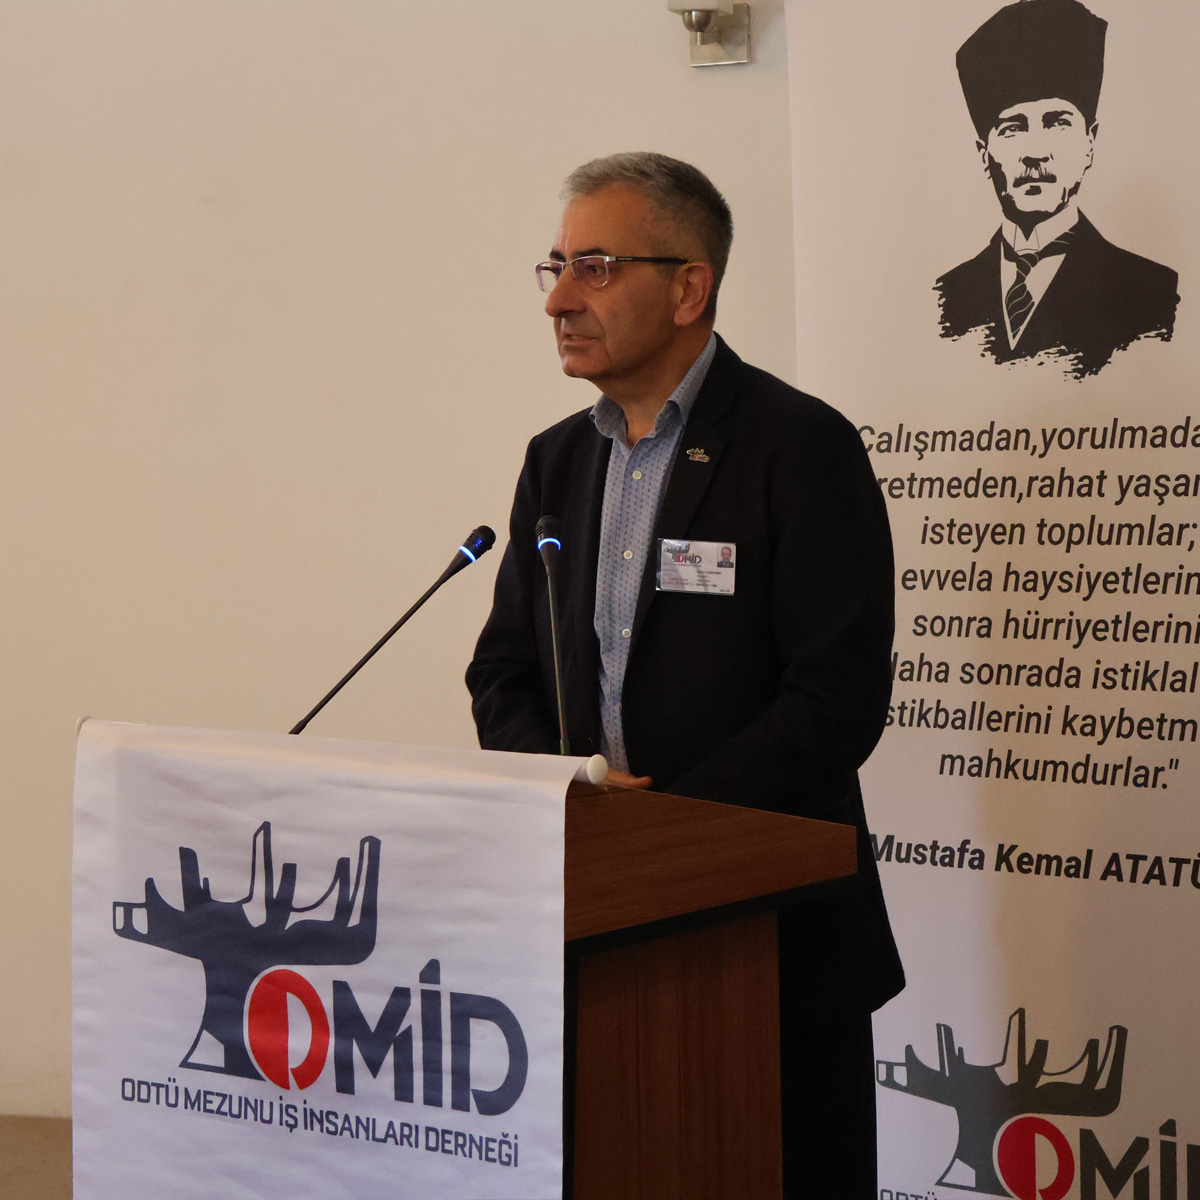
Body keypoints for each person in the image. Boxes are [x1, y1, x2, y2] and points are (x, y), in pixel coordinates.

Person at [466, 151, 903, 1197]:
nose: (559, 300)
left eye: (596, 268)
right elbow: (504, 670)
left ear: (689, 288)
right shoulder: (557, 459)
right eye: (557, 268)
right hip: (591, 924)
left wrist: (663, 833)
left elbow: (835, 699)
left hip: (770, 936)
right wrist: (574, 801)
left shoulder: (798, 446)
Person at [935, 0, 1179, 378]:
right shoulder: (948, 296)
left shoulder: (1153, 294)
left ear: (1089, 143)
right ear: (985, 154)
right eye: (1013, 128)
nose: (1036, 152)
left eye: (1057, 123)